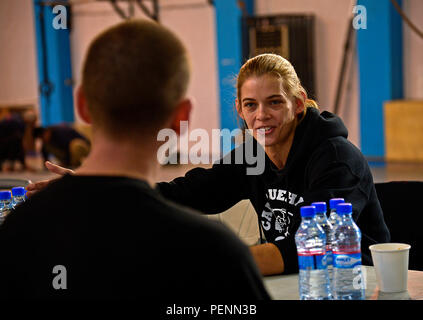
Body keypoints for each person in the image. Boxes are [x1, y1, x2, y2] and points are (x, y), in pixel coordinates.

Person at [27, 54, 390, 276]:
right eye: (250, 105)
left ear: (298, 104)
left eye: (274, 102)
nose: (261, 115)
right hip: (289, 284)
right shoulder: (253, 156)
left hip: (352, 285)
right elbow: (185, 193)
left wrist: (212, 262)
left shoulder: (336, 158)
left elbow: (306, 248)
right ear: (240, 111)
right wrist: (99, 191)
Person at [0, 19, 270, 300]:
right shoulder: (215, 255)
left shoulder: (20, 231)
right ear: (181, 118)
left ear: (82, 106)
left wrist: (87, 190)